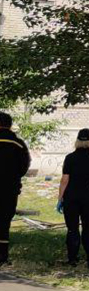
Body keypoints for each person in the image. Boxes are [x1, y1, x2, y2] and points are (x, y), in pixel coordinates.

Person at [57, 128, 89, 266]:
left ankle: (72, 259)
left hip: (71, 196)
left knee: (72, 229)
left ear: (77, 141)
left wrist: (60, 199)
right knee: (88, 228)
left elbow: (64, 180)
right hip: (88, 197)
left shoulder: (70, 157)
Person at [0, 111, 32, 267]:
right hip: (9, 189)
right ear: (10, 125)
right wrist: (14, 177)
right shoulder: (19, 144)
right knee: (4, 221)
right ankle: (2, 256)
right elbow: (25, 165)